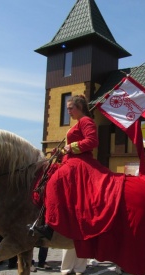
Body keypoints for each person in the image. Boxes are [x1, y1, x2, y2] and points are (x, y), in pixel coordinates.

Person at [33, 95, 101, 240]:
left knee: (54, 182)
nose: (68, 111)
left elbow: (92, 141)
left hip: (80, 161)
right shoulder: (78, 123)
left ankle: (50, 226)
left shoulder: (85, 121)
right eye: (67, 108)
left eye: (71, 108)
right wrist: (61, 152)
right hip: (71, 159)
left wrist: (71, 146)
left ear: (80, 108)